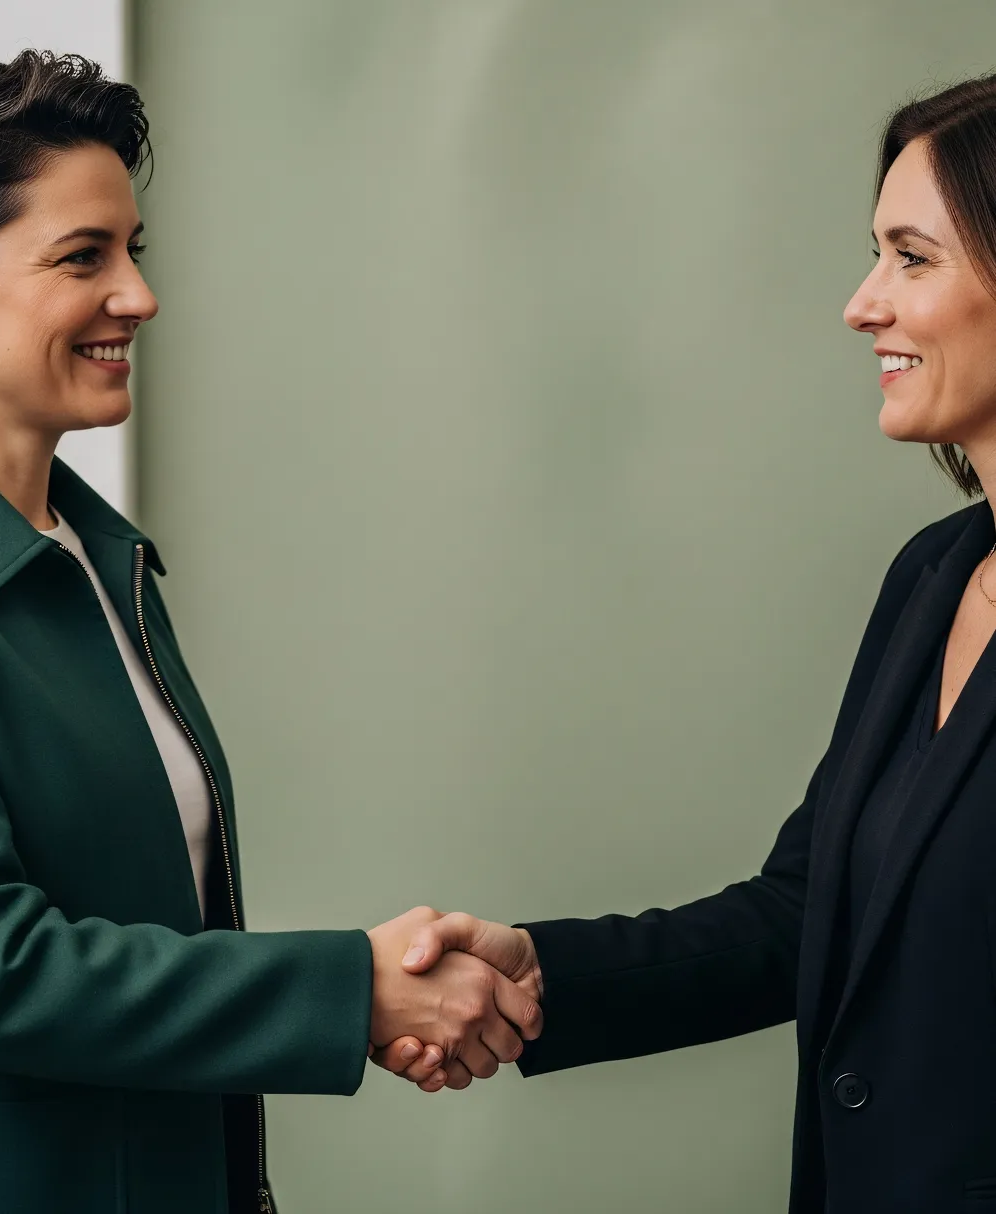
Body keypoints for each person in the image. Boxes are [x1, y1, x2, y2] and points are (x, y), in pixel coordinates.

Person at [371, 71, 996, 1214]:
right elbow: (805, 910)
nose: (862, 303)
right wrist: (537, 967)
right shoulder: (931, 577)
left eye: (911, 258)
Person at [0, 50, 542, 1214]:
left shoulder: (97, 558)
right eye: (83, 257)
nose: (138, 294)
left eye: (134, 251)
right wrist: (350, 992)